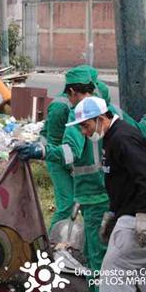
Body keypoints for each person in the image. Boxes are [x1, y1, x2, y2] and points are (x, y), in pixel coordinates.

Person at [16, 66, 146, 292]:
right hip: (116, 199)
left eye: (69, 96)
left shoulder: (77, 117)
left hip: (94, 201)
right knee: (118, 254)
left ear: (73, 91)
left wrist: (41, 150)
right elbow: (140, 132)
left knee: (97, 258)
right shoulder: (111, 112)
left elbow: (69, 152)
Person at [66, 96, 146, 292]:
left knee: (112, 275)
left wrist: (145, 217)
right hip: (140, 214)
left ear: (100, 119)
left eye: (86, 125)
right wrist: (113, 213)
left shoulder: (122, 138)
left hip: (140, 217)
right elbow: (122, 181)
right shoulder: (113, 136)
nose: (84, 132)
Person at [39, 65, 111, 231]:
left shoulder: (97, 92)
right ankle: (53, 243)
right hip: (58, 158)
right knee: (67, 204)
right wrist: (45, 152)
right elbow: (58, 143)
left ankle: (81, 239)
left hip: (75, 160)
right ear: (72, 91)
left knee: (84, 203)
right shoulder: (60, 108)